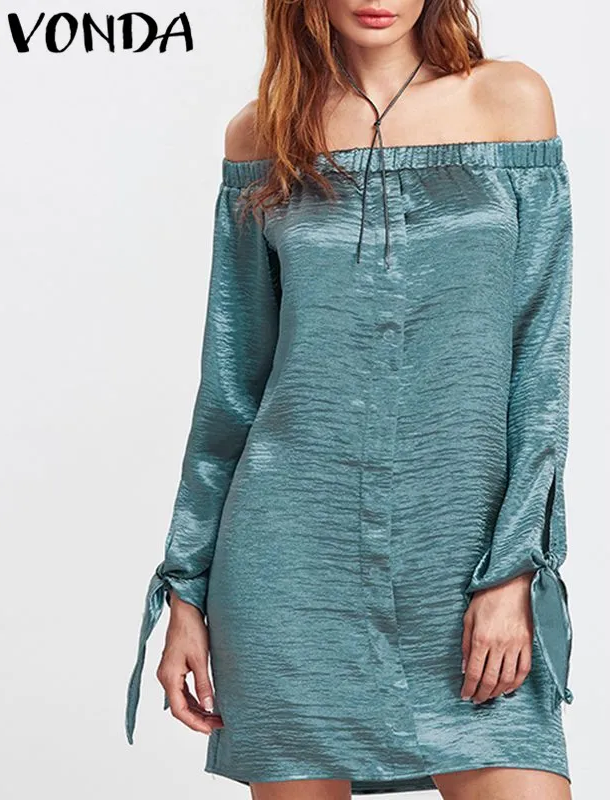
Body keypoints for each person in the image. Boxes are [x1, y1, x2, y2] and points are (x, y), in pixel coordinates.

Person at [125, 1, 576, 798]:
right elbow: (232, 389)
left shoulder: (508, 100)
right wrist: (186, 591)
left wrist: (514, 571)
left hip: (465, 557)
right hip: (289, 565)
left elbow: (538, 363)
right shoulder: (260, 137)